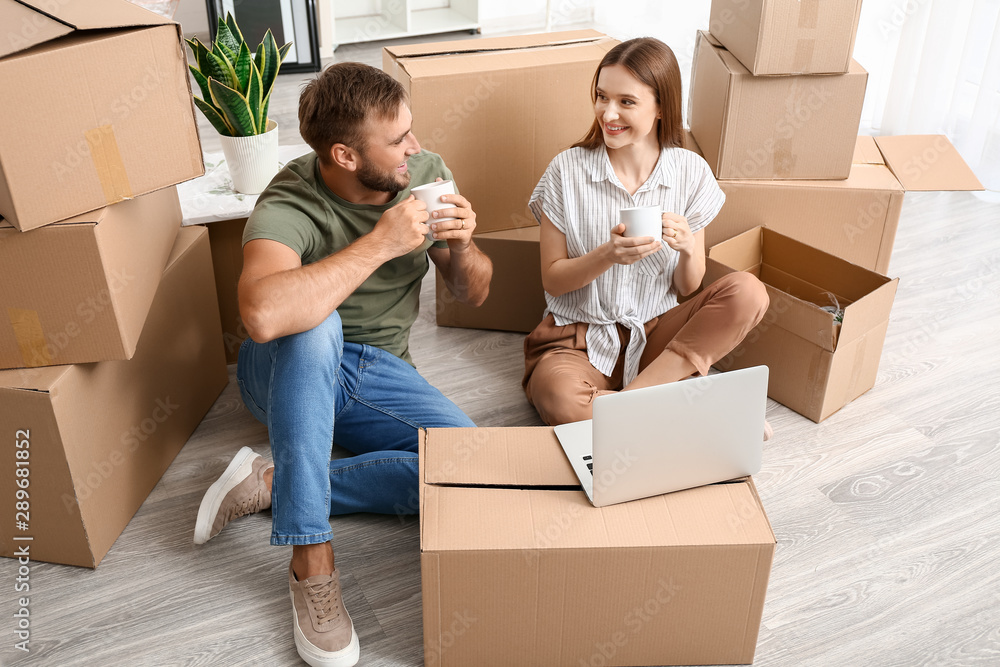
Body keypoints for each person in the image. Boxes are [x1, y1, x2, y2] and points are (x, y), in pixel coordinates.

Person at [192, 62, 492, 667]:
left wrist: (462, 247)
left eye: (411, 130)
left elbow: (474, 294)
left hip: (378, 371)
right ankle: (311, 560)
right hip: (282, 368)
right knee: (314, 323)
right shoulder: (290, 199)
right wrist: (381, 243)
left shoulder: (424, 174)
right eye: (398, 139)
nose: (415, 148)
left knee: (470, 468)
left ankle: (272, 482)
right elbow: (263, 316)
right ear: (345, 155)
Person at [522, 37, 771, 431]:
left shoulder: (691, 172)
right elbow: (552, 280)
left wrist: (687, 249)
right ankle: (679, 403)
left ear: (660, 108)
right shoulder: (565, 171)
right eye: (602, 97)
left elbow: (687, 287)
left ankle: (629, 406)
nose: (608, 113)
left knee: (749, 292)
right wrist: (607, 255)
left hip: (657, 335)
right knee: (560, 400)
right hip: (578, 341)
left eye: (627, 101)